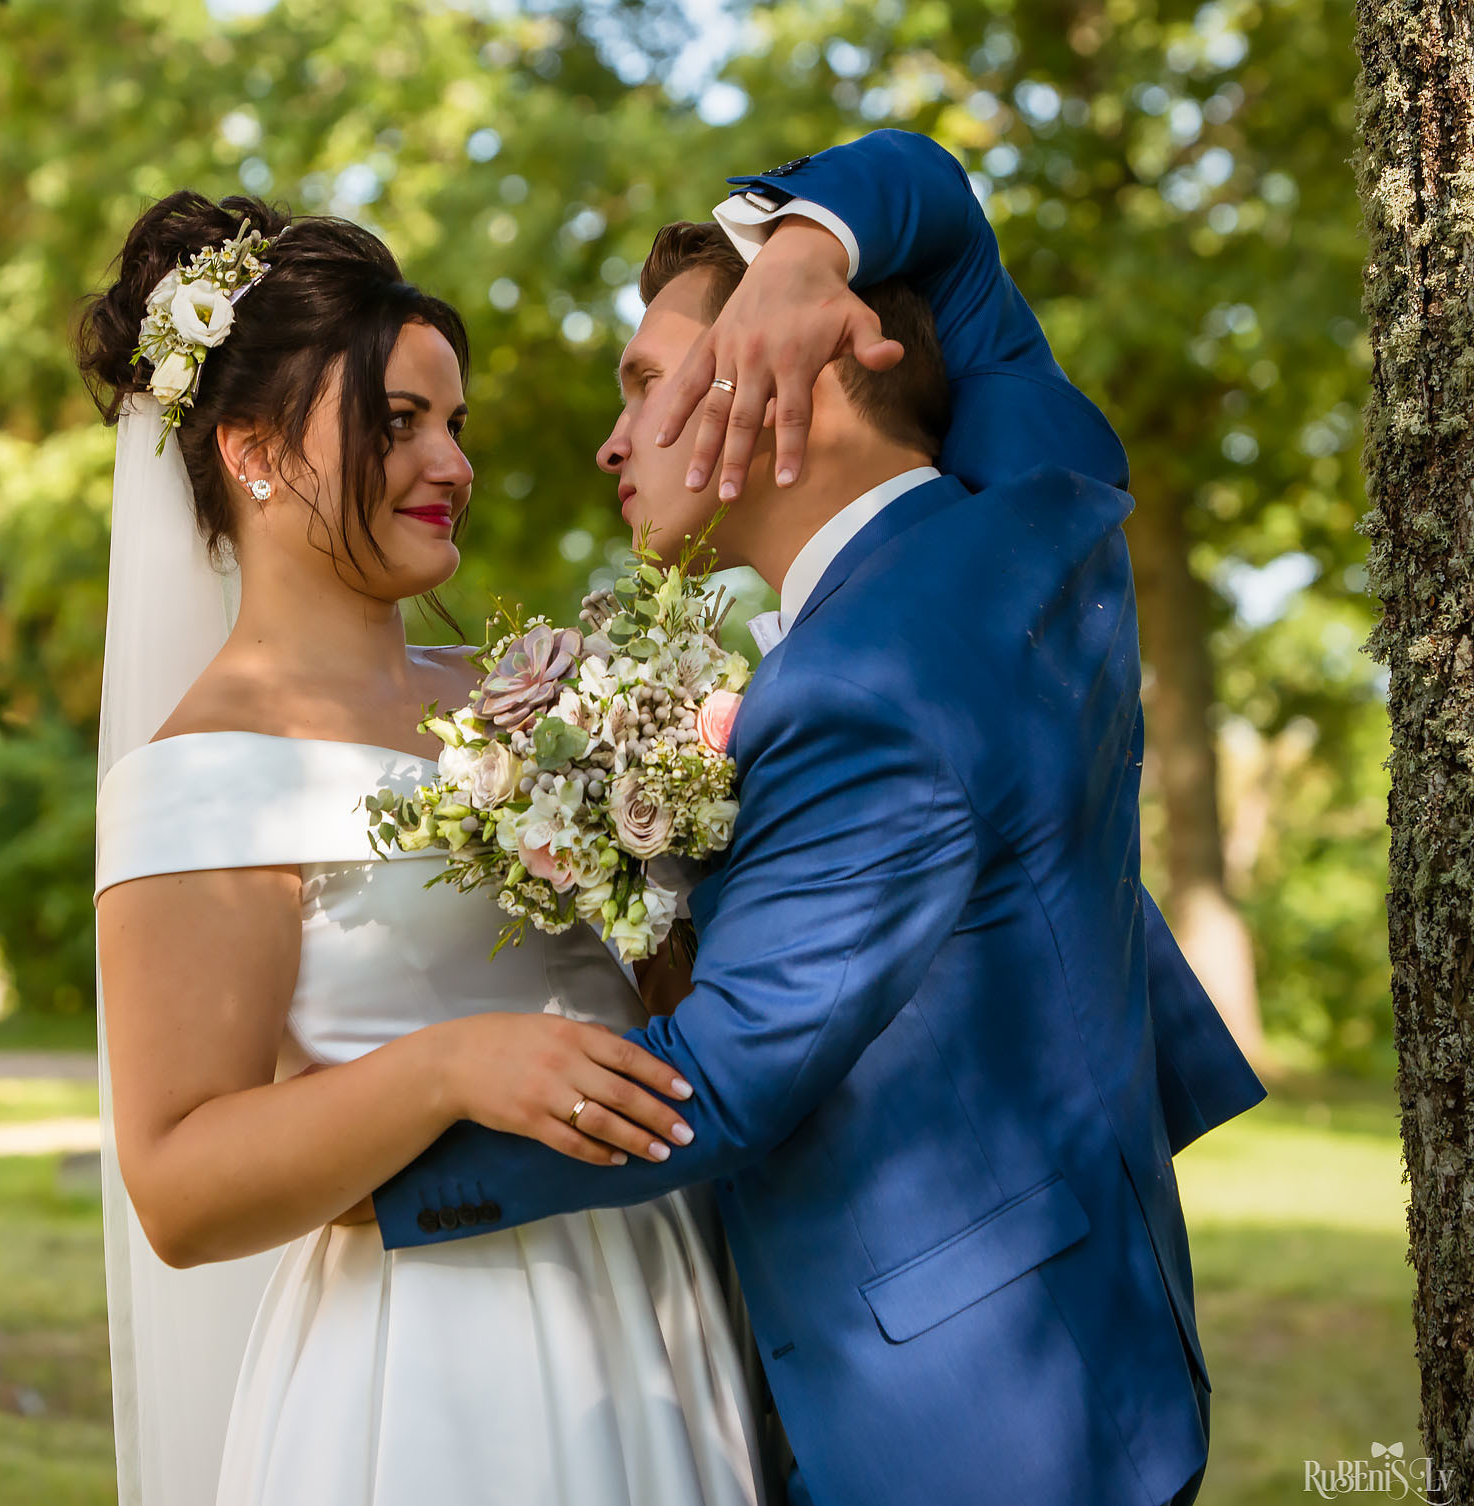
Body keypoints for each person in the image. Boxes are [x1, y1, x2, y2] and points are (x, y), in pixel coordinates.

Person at [368, 129, 1265, 1506]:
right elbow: (943, 211)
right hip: (1108, 1348)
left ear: (791, 374)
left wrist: (358, 1172)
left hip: (968, 1433)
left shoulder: (869, 681)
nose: (614, 438)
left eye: (648, 386)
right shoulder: (1042, 500)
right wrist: (811, 245)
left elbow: (720, 1083)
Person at [86, 192, 766, 1506]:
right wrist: (450, 1066)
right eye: (398, 424)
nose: (451, 463)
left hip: (667, 1304)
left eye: (454, 422)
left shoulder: (532, 698)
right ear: (255, 452)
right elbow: (178, 1184)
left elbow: (666, 989)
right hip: (441, 1361)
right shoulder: (196, 779)